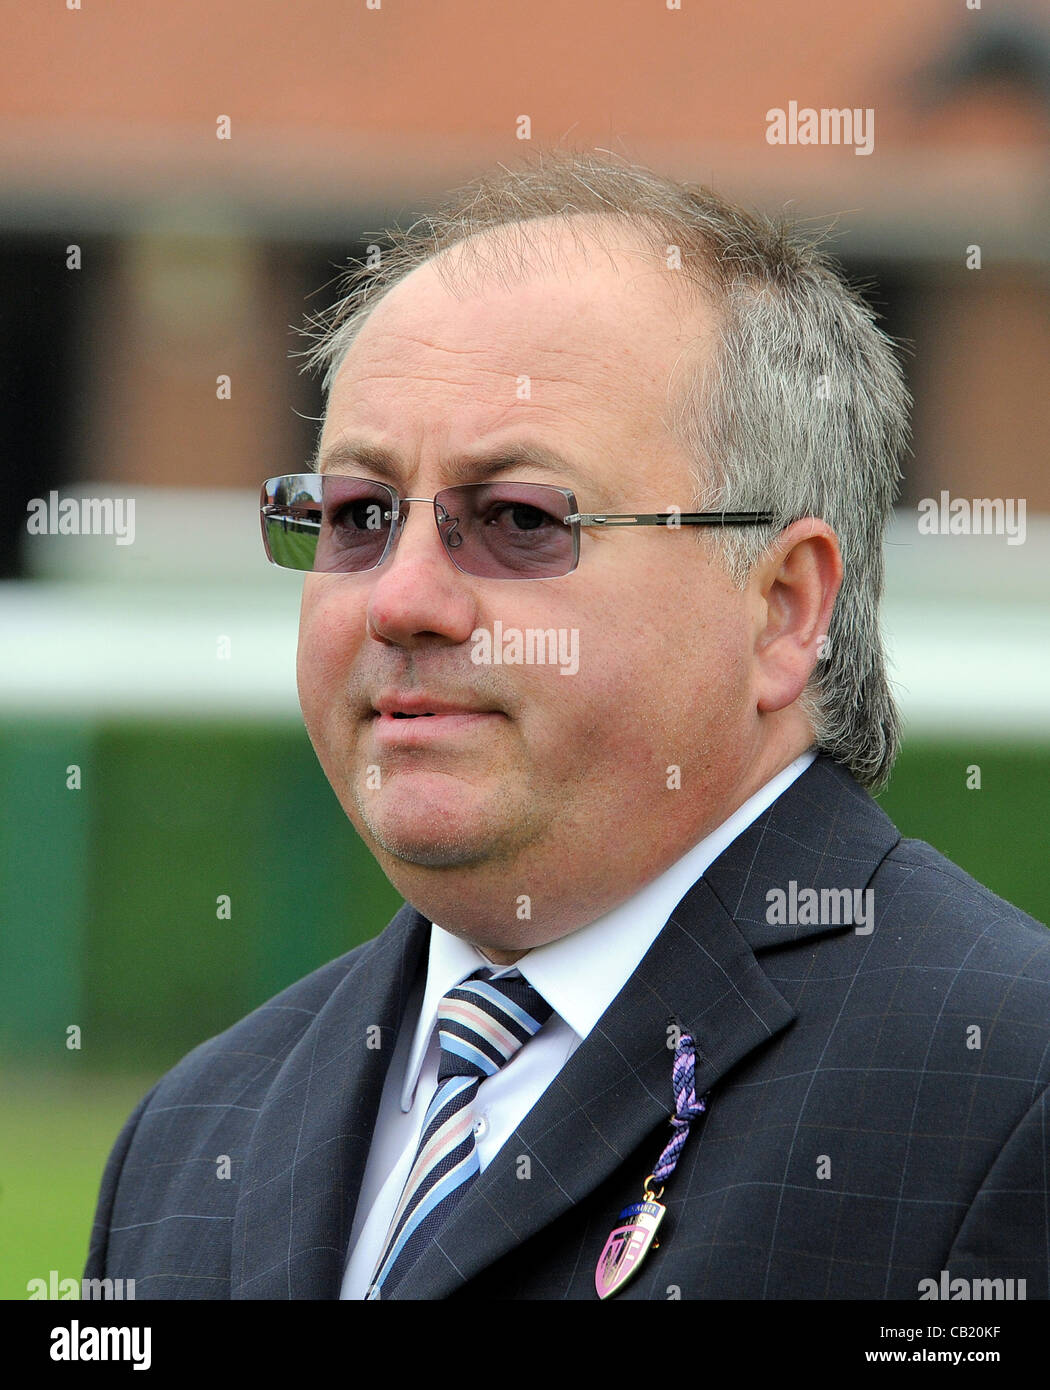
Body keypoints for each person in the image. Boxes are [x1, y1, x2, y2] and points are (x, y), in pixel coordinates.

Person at [85, 151, 1050, 1300]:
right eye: (358, 514)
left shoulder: (1007, 1092)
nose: (402, 599)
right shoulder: (190, 1133)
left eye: (518, 518)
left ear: (783, 607)